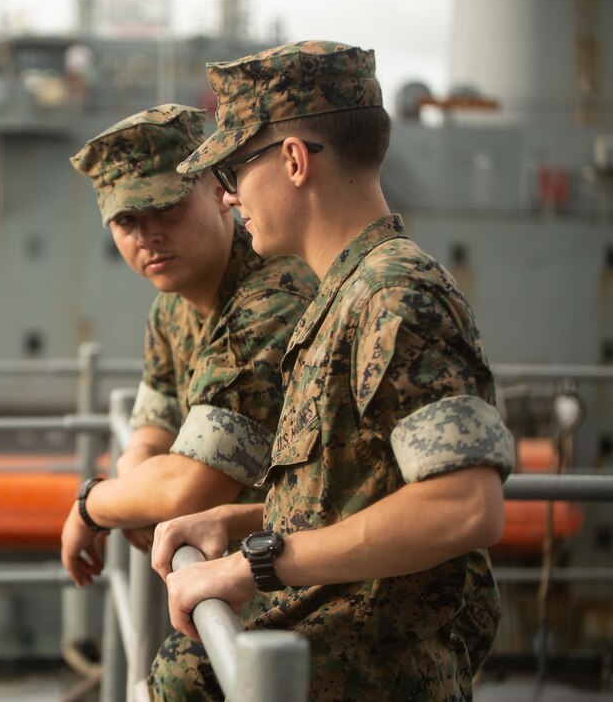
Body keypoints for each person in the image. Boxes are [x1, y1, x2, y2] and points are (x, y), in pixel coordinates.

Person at [149, 41, 515, 701]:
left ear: (292, 161)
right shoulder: (348, 295)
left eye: (233, 172)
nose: (228, 198)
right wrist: (236, 525)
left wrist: (257, 562)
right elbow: (359, 493)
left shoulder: (396, 297)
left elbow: (465, 506)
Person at [62, 104, 317, 595]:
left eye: (167, 208)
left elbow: (191, 489)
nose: (148, 236)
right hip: (263, 564)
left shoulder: (270, 301)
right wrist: (142, 498)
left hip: (325, 581)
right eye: (127, 220)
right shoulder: (171, 309)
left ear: (221, 192)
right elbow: (149, 437)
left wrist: (92, 505)